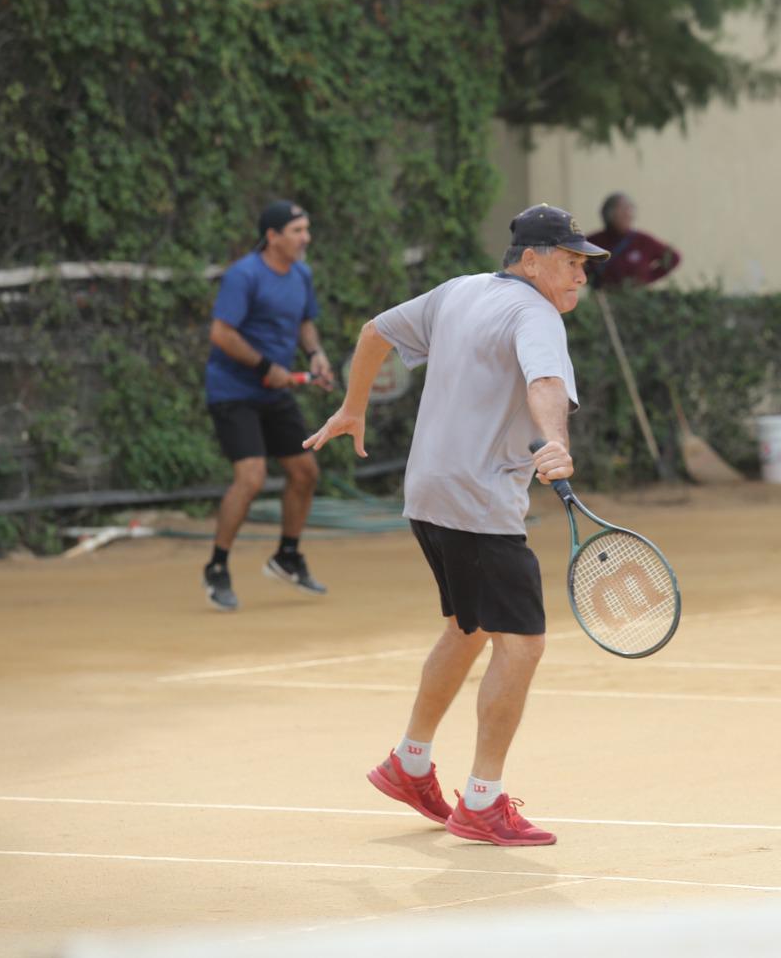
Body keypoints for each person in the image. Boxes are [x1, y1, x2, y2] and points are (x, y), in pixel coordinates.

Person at [303, 203, 608, 847]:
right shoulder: (536, 313)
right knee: (520, 645)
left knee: (468, 629)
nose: (581, 275)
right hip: (478, 500)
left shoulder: (458, 291)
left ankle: (409, 765)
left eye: (585, 264)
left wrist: (353, 407)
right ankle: (483, 802)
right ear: (531, 260)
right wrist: (554, 440)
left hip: (429, 493)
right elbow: (546, 382)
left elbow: (373, 331)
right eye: (571, 261)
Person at [202, 200, 334, 612]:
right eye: (296, 230)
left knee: (304, 471)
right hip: (233, 390)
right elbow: (222, 334)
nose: (305, 238)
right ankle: (217, 566)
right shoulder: (244, 276)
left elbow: (303, 323)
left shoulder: (301, 274)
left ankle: (287, 557)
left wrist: (315, 354)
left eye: (306, 229)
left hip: (273, 392)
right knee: (252, 476)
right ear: (272, 236)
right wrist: (264, 366)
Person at [586, 192, 681, 289]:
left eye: (628, 212)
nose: (626, 216)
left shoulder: (643, 241)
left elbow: (673, 258)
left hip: (636, 299)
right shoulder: (593, 242)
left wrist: (647, 278)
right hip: (604, 299)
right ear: (608, 216)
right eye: (621, 213)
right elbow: (575, 266)